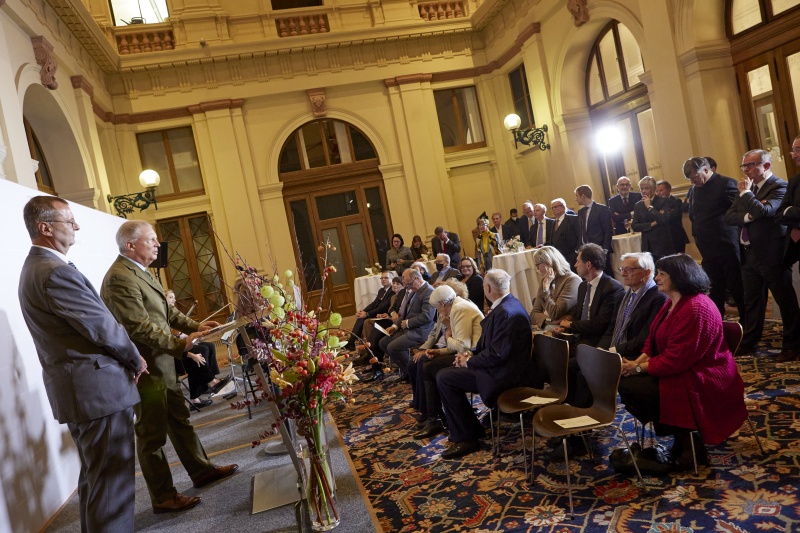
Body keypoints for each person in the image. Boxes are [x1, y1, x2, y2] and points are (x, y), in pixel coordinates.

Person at [18, 196, 145, 532]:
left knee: (96, 482)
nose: (77, 226)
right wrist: (135, 358)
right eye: (69, 220)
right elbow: (101, 328)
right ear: (45, 228)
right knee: (112, 487)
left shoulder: (37, 268)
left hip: (83, 392)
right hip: (98, 392)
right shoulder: (53, 271)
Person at [101, 220, 238, 514]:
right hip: (146, 370)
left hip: (163, 365)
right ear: (130, 245)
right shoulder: (119, 278)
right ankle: (163, 496)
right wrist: (183, 344)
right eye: (151, 239)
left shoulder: (141, 272)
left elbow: (165, 311)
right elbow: (140, 328)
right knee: (152, 436)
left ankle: (201, 470)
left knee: (180, 421)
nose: (156, 245)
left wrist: (195, 326)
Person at [618, 254, 747, 470]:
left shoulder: (696, 307)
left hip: (707, 374)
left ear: (680, 277)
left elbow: (676, 360)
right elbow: (652, 342)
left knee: (638, 388)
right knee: (629, 382)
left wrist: (637, 368)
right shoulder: (671, 302)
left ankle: (689, 444)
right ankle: (682, 440)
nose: (657, 278)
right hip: (686, 367)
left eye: (662, 274)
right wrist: (633, 365)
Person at [435, 269, 532, 459]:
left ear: (487, 287)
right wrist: (468, 355)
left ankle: (467, 436)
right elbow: (490, 346)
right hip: (500, 366)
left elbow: (497, 354)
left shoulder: (505, 311)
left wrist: (469, 361)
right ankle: (469, 428)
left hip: (503, 374)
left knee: (445, 378)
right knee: (446, 373)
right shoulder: (509, 303)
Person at [725, 149, 799, 359]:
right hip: (749, 254)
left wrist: (747, 196)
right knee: (752, 302)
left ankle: (792, 344)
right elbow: (730, 217)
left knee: (784, 300)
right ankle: (749, 342)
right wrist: (750, 212)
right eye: (744, 165)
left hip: (772, 253)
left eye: (750, 165)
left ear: (766, 166)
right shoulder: (746, 189)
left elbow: (765, 212)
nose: (746, 169)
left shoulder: (780, 186)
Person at [409, 282, 483, 440]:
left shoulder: (459, 309)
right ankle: (434, 417)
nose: (437, 311)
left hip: (475, 356)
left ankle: (435, 419)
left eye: (437, 307)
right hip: (468, 352)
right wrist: (438, 351)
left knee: (431, 368)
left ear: (442, 303)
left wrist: (447, 338)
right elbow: (457, 345)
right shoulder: (456, 306)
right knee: (428, 364)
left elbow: (463, 346)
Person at [682, 156, 744, 319]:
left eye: (696, 177)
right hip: (708, 250)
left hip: (726, 246)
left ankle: (747, 326)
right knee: (714, 289)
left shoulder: (726, 183)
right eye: (690, 179)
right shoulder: (695, 189)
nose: (694, 182)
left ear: (707, 170)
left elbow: (737, 213)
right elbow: (695, 215)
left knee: (738, 288)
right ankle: (717, 324)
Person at [368, 269, 436, 381]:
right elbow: (404, 314)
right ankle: (407, 371)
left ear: (418, 278)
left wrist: (408, 323)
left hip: (421, 330)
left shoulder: (428, 291)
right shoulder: (414, 290)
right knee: (383, 343)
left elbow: (427, 316)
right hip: (408, 328)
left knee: (393, 347)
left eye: (408, 284)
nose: (407, 287)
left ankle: (414, 373)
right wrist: (395, 327)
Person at [599, 252, 668, 360]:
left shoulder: (658, 298)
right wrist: (600, 349)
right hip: (616, 350)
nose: (623, 274)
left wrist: (612, 351)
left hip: (637, 356)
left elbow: (645, 337)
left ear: (646, 272)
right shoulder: (623, 296)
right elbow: (612, 328)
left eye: (628, 270)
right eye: (622, 269)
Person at [166, 290, 229, 408]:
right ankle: (209, 383)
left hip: (176, 348)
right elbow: (169, 340)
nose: (174, 300)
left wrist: (198, 328)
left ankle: (210, 380)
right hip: (172, 354)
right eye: (170, 297)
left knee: (209, 346)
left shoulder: (169, 314)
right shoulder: (163, 316)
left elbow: (178, 332)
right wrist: (191, 355)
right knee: (199, 354)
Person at [555, 244, 624, 348]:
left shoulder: (612, 287)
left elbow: (600, 324)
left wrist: (570, 325)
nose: (575, 265)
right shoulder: (583, 286)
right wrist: (565, 328)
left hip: (596, 341)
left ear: (588, 265)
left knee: (562, 362)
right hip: (578, 336)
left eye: (578, 261)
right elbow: (579, 314)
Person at [776, 134, 800, 362]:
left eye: (798, 149)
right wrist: (791, 211)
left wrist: (792, 212)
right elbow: (780, 212)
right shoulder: (794, 181)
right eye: (794, 149)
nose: (794, 155)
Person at [529, 246, 580, 329]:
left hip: (563, 329)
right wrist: (550, 320)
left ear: (548, 263)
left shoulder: (572, 280)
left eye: (537, 265)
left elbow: (555, 313)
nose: (537, 269)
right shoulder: (545, 280)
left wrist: (545, 290)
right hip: (549, 324)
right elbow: (534, 313)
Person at [344, 271, 394, 351]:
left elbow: (383, 307)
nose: (383, 280)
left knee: (365, 318)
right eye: (382, 278)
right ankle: (351, 342)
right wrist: (363, 312)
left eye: (386, 278)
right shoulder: (381, 290)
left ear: (391, 279)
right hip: (377, 312)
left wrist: (367, 314)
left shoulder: (392, 290)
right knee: (361, 317)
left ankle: (352, 342)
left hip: (384, 314)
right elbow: (373, 304)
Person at [632, 176, 676, 262]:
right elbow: (635, 226)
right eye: (641, 188)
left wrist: (649, 207)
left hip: (662, 244)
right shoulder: (638, 205)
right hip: (647, 245)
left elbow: (664, 220)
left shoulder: (663, 201)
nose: (644, 191)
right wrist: (652, 224)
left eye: (647, 188)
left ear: (654, 189)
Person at [575, 185, 614, 276]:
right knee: (590, 275)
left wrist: (605, 249)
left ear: (583, 196)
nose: (576, 199)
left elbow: (608, 230)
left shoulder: (601, 209)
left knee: (605, 274)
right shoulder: (581, 212)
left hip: (599, 249)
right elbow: (581, 232)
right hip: (585, 249)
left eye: (577, 196)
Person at [655, 180, 690, 253]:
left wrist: (662, 214)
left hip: (676, 236)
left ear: (669, 190)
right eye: (657, 191)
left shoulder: (676, 201)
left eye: (661, 190)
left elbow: (672, 217)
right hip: (663, 238)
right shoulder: (656, 204)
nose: (658, 193)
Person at [550, 197, 580, 266]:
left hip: (572, 256)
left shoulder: (572, 219)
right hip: (559, 258)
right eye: (552, 208)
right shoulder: (554, 222)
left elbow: (580, 236)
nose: (554, 209)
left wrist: (576, 252)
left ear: (563, 207)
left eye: (556, 207)